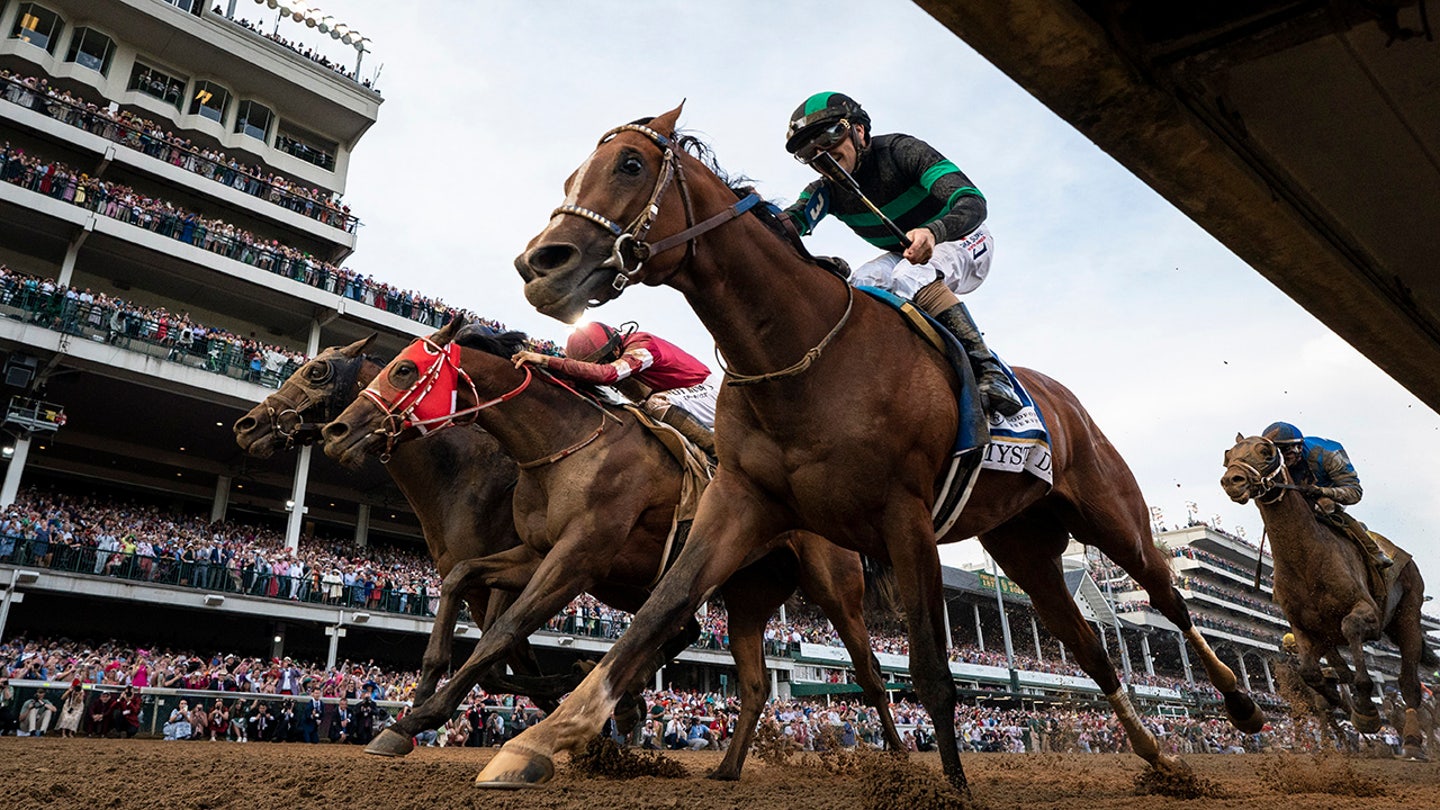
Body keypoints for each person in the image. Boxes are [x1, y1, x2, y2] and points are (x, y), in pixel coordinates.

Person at [781, 91, 1022, 417]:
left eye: (830, 135)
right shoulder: (825, 191)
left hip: (966, 236)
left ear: (859, 131)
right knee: (862, 285)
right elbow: (787, 224)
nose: (822, 153)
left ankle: (988, 369)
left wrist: (933, 231)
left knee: (910, 275)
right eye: (809, 150)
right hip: (906, 253)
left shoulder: (900, 151)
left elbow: (972, 202)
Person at [512, 321, 718, 454]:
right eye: (596, 363)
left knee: (656, 404)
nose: (601, 365)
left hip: (706, 392)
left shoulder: (645, 347)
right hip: (680, 398)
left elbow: (608, 374)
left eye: (604, 360)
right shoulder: (618, 347)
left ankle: (717, 453)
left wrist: (546, 359)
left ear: (616, 345)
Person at [1262, 421, 1393, 569]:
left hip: (1332, 490)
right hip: (1303, 494)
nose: (1281, 458)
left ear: (1298, 447)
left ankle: (1373, 551)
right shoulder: (1276, 463)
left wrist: (1322, 491)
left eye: (1284, 451)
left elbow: (1355, 492)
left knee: (1324, 505)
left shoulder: (1327, 454)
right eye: (1275, 453)